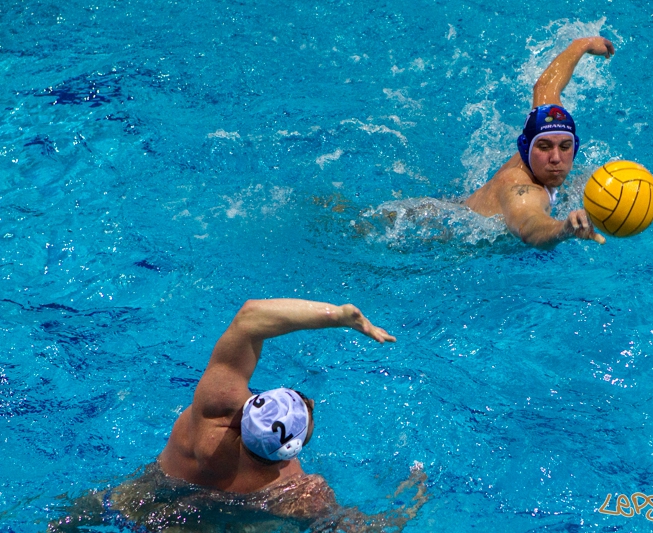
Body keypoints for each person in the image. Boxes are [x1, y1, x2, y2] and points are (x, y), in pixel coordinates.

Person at [49, 298, 427, 532]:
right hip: (204, 527)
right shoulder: (297, 490)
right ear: (291, 450)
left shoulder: (214, 406)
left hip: (145, 493)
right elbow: (352, 529)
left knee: (85, 510)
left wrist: (339, 316)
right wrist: (407, 505)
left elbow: (250, 317)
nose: (309, 402)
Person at [464, 36, 616, 250]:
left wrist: (582, 45)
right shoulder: (520, 189)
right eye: (544, 147)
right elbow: (529, 226)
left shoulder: (548, 120)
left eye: (565, 147)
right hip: (445, 240)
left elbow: (545, 86)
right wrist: (563, 229)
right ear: (526, 149)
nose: (555, 158)